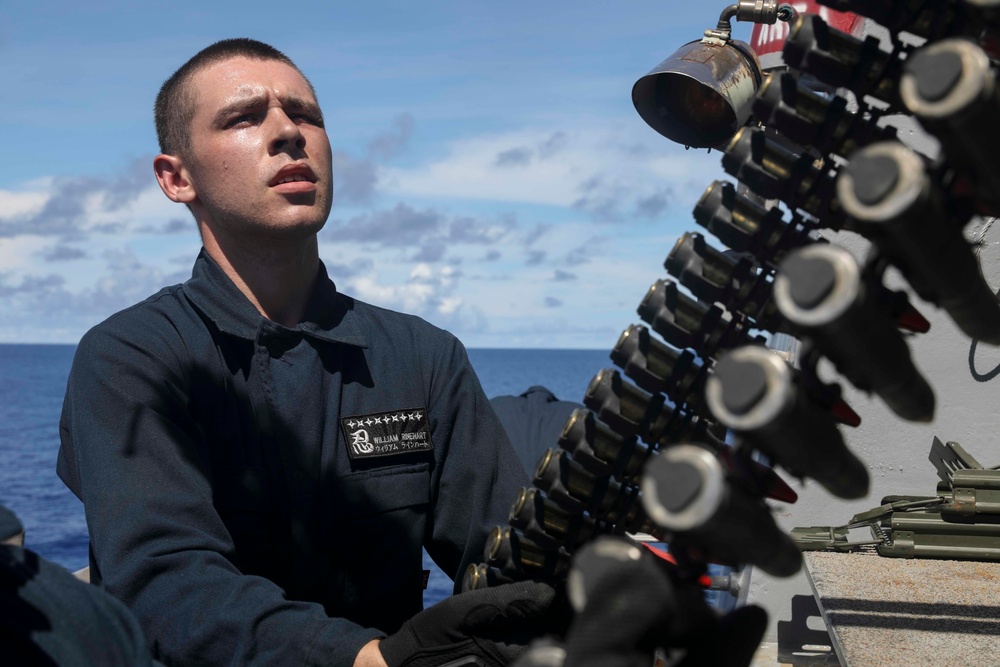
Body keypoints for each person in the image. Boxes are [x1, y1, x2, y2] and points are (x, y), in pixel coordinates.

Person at [56, 38, 554, 667]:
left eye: (306, 115)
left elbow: (505, 561)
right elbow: (165, 585)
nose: (288, 132)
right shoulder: (131, 357)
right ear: (176, 178)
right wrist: (371, 659)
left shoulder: (422, 356)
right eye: (243, 117)